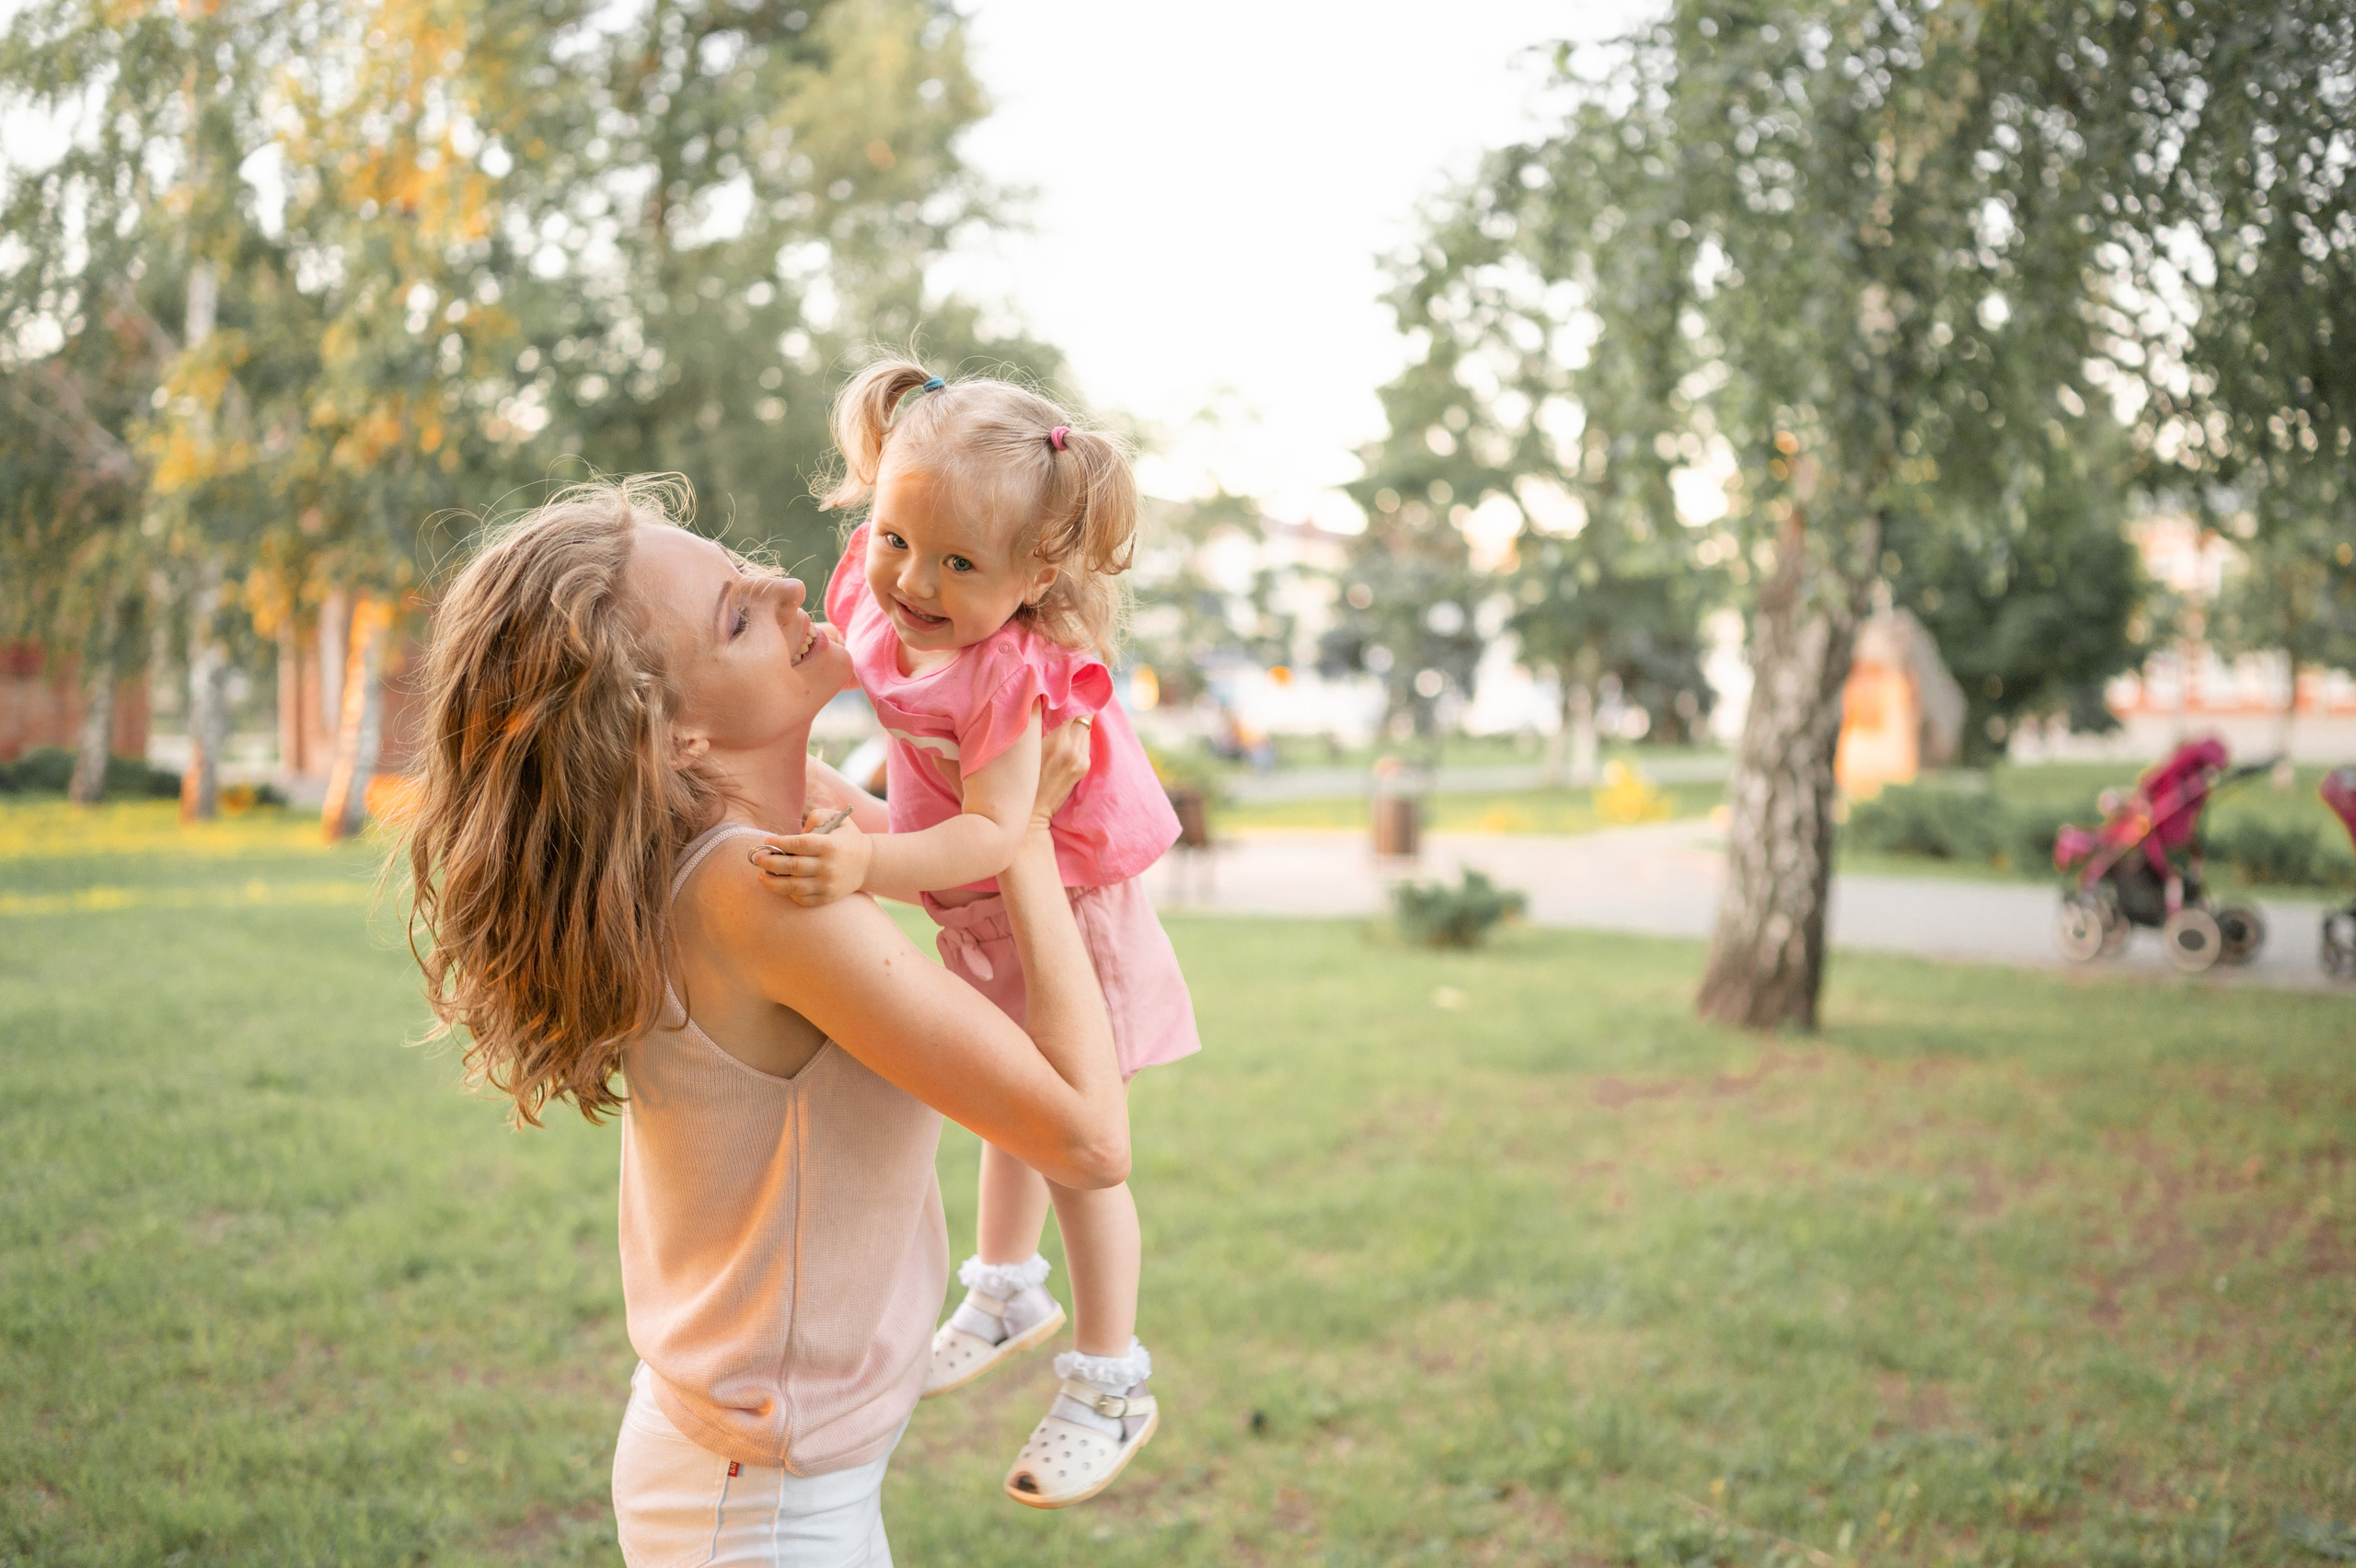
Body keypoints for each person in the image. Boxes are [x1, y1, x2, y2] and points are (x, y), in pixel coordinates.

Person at [398, 475, 1130, 1565]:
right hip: (759, 1510)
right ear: (676, 736)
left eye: (746, 568)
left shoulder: (793, 823)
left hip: (766, 1474)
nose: (788, 586)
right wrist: (1018, 832)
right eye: (737, 616)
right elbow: (1089, 1140)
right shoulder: (761, 893)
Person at [757, 362, 1198, 1508]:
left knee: (1078, 1151)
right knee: (1010, 1102)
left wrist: (866, 860)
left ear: (1035, 575)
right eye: (898, 539)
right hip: (979, 904)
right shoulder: (882, 593)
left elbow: (997, 832)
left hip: (1066, 916)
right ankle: (1005, 1287)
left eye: (960, 564)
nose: (915, 580)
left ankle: (1108, 1380)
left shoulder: (1010, 672)